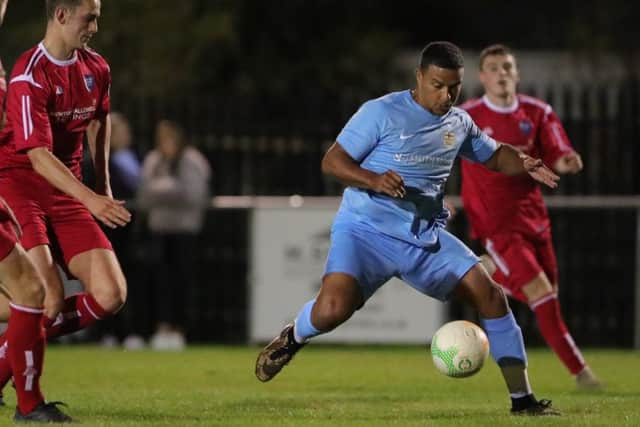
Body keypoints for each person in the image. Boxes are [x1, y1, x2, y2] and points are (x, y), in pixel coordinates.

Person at [255, 41, 562, 416]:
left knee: (491, 295)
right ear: (419, 77)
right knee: (332, 309)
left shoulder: (458, 122)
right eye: (437, 84)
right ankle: (294, 337)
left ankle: (523, 401)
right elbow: (333, 162)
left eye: (454, 87)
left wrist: (524, 161)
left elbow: (495, 155)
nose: (446, 95)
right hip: (365, 231)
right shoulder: (381, 112)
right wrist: (373, 179)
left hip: (422, 239)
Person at [0, 0, 130, 398]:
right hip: (20, 185)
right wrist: (91, 199)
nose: (95, 26)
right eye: (89, 18)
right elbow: (37, 156)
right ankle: (25, 397)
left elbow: (99, 122)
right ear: (60, 15)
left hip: (67, 188)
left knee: (111, 295)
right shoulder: (28, 74)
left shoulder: (96, 68)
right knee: (48, 298)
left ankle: (7, 353)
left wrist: (103, 186)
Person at [459, 44, 602, 390]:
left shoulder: (538, 112)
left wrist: (566, 159)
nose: (502, 73)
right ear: (483, 77)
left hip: (534, 217)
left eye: (507, 67)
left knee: (547, 295)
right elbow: (438, 149)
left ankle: (490, 271)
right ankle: (582, 373)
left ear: (517, 74)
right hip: (496, 222)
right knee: (541, 293)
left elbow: (558, 148)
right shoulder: (468, 115)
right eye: (494, 67)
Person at [137, 119, 211, 350]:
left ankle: (180, 328)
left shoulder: (192, 161)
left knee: (182, 281)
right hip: (159, 229)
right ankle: (162, 327)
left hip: (184, 231)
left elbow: (194, 194)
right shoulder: (154, 160)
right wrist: (170, 189)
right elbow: (144, 195)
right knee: (160, 282)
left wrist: (163, 189)